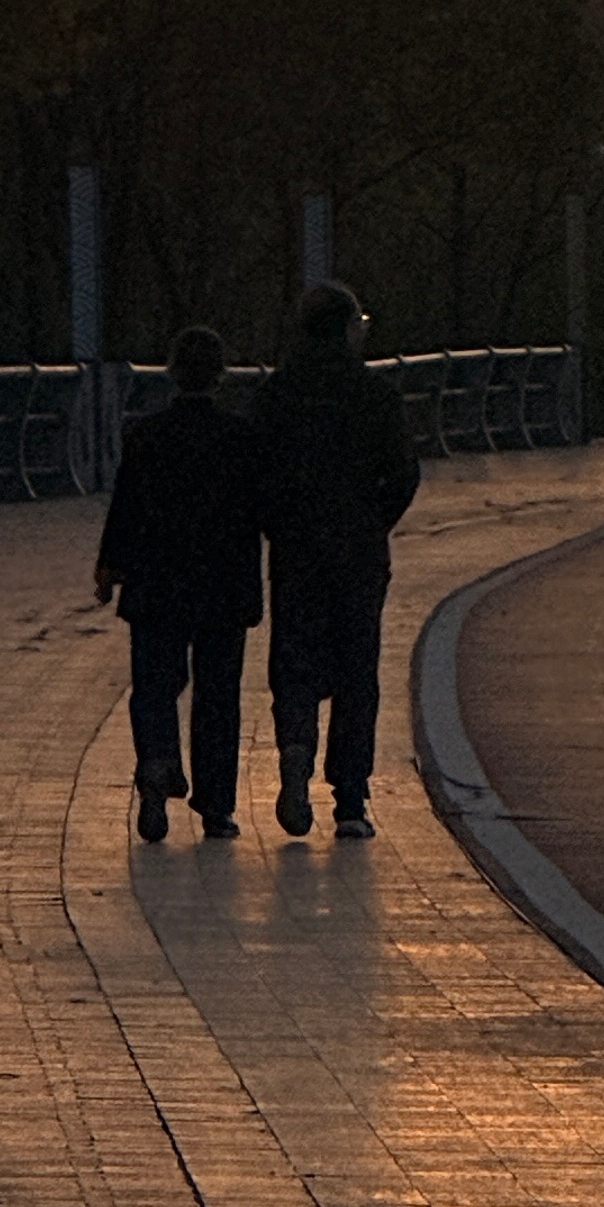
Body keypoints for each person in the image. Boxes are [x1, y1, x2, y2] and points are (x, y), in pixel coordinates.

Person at [253, 278, 419, 840]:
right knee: (356, 668)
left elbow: (258, 475)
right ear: (347, 329)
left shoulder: (276, 395)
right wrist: (374, 521)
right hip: (358, 550)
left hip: (296, 550)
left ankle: (296, 751)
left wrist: (279, 525)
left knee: (295, 659)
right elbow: (402, 474)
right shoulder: (375, 396)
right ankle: (349, 798)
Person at [92, 324, 263, 843]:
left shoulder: (145, 436)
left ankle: (157, 762)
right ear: (221, 375)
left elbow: (125, 509)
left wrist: (109, 568)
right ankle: (216, 807)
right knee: (217, 694)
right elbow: (255, 514)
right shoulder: (239, 439)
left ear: (170, 373)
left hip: (155, 582)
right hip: (221, 586)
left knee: (154, 686)